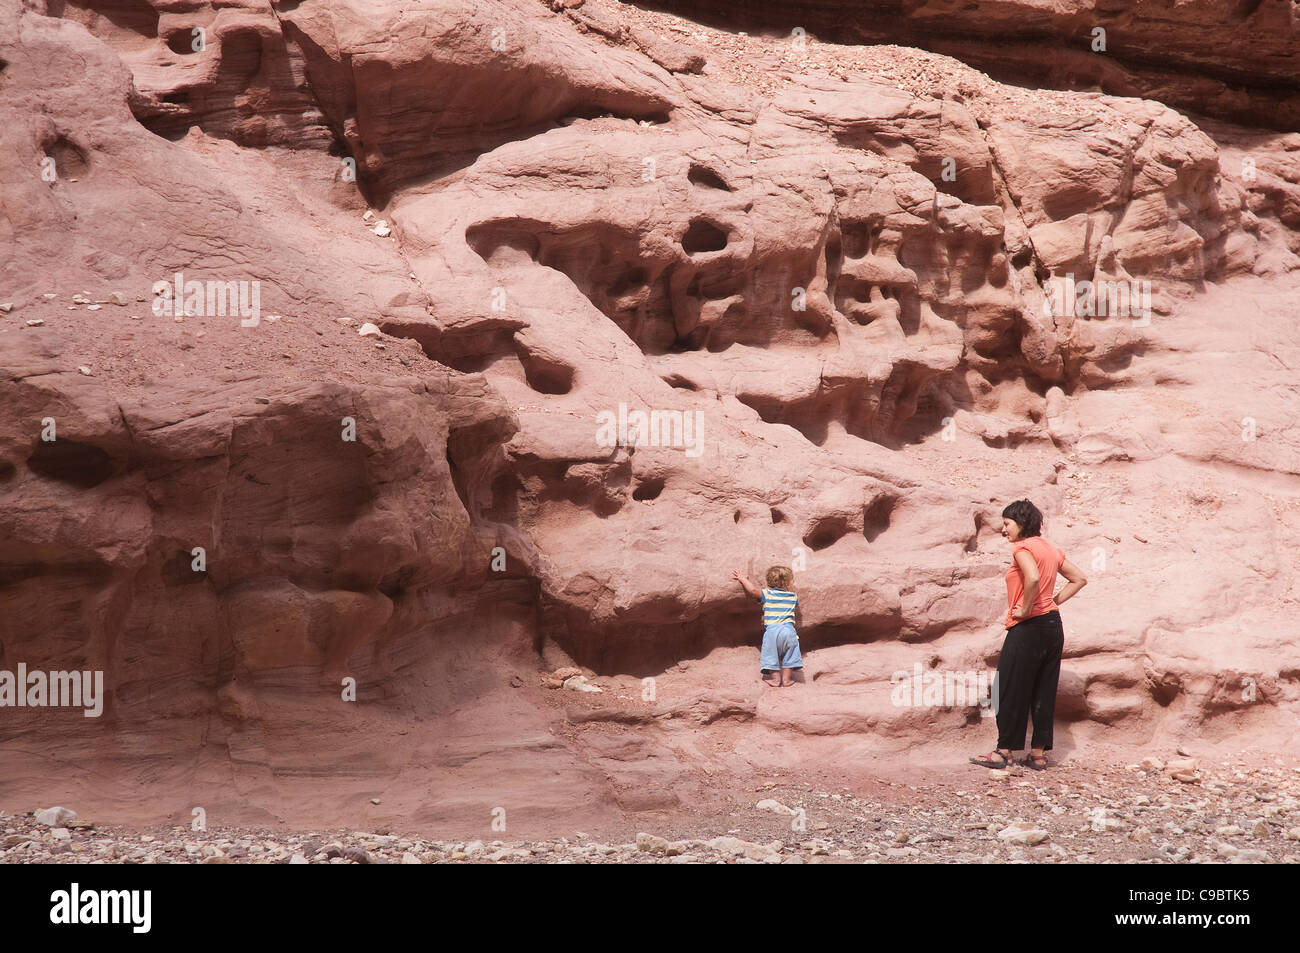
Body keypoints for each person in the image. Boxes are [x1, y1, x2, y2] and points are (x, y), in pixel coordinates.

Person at [970, 499, 1087, 771]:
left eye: (1007, 524)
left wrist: (1025, 608)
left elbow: (1032, 578)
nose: (1003, 530)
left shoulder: (1022, 548)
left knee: (1007, 687)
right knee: (1043, 688)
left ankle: (1003, 752)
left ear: (1021, 524)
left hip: (1028, 627)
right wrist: (1052, 602)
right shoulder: (1051, 549)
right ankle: (1037, 755)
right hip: (1052, 626)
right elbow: (1080, 578)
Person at [731, 566, 802, 687]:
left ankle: (775, 679)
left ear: (769, 582)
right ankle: (786, 680)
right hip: (789, 631)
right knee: (790, 654)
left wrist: (742, 579)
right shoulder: (793, 597)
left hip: (772, 631)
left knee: (770, 654)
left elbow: (753, 590)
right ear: (788, 582)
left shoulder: (767, 594)